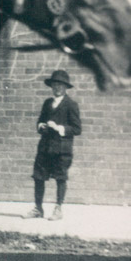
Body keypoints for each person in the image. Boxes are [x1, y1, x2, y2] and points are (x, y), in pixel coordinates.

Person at [26, 69, 82, 221]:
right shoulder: (47, 103)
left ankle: (58, 209)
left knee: (60, 178)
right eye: (54, 85)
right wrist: (42, 126)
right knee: (38, 177)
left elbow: (77, 129)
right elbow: (39, 122)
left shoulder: (71, 105)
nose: (57, 88)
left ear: (65, 88)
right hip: (45, 147)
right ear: (51, 87)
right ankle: (38, 208)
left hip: (62, 149)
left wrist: (59, 128)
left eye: (60, 85)